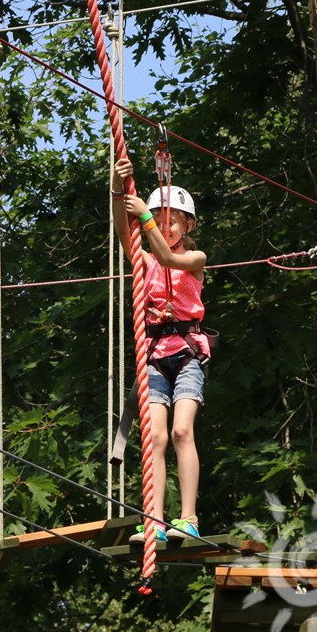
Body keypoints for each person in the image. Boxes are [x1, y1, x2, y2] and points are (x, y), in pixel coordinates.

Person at [111, 156, 210, 542]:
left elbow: (170, 258)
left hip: (186, 355)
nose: (164, 226)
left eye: (172, 220)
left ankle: (188, 518)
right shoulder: (144, 263)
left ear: (188, 225)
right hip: (155, 355)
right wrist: (119, 188)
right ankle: (154, 519)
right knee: (155, 437)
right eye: (159, 219)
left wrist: (145, 218)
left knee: (182, 431)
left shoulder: (194, 259)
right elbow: (124, 229)